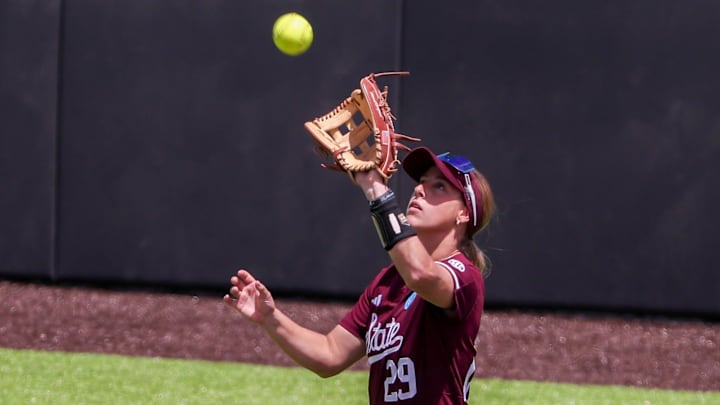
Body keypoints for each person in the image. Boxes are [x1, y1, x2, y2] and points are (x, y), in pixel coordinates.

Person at [224, 146, 496, 404]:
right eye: (421, 181)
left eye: (439, 186)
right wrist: (271, 319)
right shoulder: (387, 283)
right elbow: (330, 355)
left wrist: (376, 191)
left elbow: (421, 274)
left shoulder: (464, 276)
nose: (419, 190)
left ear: (463, 213)